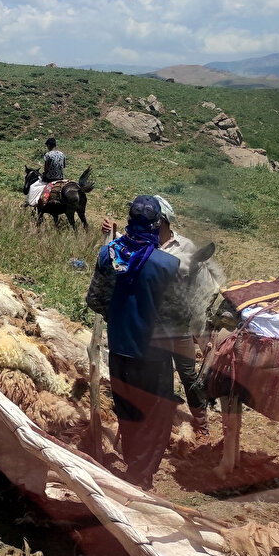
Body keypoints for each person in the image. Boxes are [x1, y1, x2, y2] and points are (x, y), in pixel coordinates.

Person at [85, 195, 179, 489]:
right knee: (157, 414)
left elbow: (95, 300)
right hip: (153, 356)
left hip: (119, 349)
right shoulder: (167, 264)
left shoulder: (108, 255)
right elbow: (176, 314)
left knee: (127, 410)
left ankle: (132, 464)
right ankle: (141, 475)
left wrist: (120, 316)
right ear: (156, 225)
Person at [101, 195, 210, 440]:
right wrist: (112, 232)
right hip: (148, 324)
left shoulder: (185, 247)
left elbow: (197, 282)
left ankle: (201, 422)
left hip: (177, 323)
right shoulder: (137, 243)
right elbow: (117, 257)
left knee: (188, 373)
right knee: (150, 376)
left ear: (165, 222)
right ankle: (147, 429)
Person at [27, 137, 66, 206]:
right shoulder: (62, 154)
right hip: (60, 178)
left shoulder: (48, 155)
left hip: (50, 178)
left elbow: (46, 169)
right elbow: (64, 166)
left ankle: (33, 202)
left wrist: (44, 173)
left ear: (49, 145)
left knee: (34, 186)